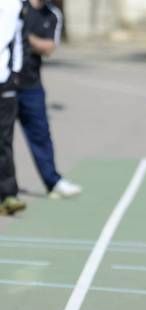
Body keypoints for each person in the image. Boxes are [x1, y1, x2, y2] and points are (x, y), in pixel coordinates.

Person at [16, 0, 81, 198]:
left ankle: (52, 181)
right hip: (7, 82)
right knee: (4, 139)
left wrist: (25, 37)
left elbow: (49, 47)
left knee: (41, 135)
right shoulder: (15, 6)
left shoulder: (52, 14)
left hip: (31, 85)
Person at [0, 0, 23, 215]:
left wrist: (15, 73)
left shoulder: (14, 5)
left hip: (4, 80)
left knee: (4, 140)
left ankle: (8, 194)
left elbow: (17, 39)